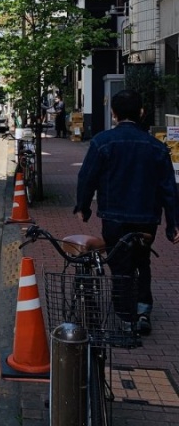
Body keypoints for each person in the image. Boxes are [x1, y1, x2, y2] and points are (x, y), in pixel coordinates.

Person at [75, 89, 179, 335]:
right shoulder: (157, 147)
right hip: (146, 218)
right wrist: (172, 223)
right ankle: (143, 311)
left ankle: (125, 317)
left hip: (114, 216)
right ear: (142, 113)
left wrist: (84, 207)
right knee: (142, 261)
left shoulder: (102, 142)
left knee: (120, 264)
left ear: (113, 114)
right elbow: (168, 189)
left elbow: (87, 177)